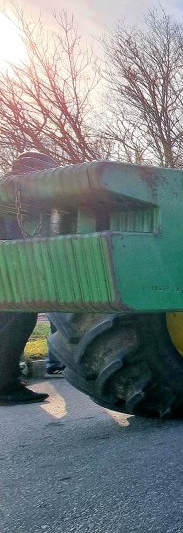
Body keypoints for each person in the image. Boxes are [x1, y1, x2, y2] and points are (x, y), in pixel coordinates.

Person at [0, 151, 59, 405]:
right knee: (19, 320)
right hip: (15, 266)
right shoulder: (22, 192)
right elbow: (21, 236)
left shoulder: (6, 188)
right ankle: (5, 386)